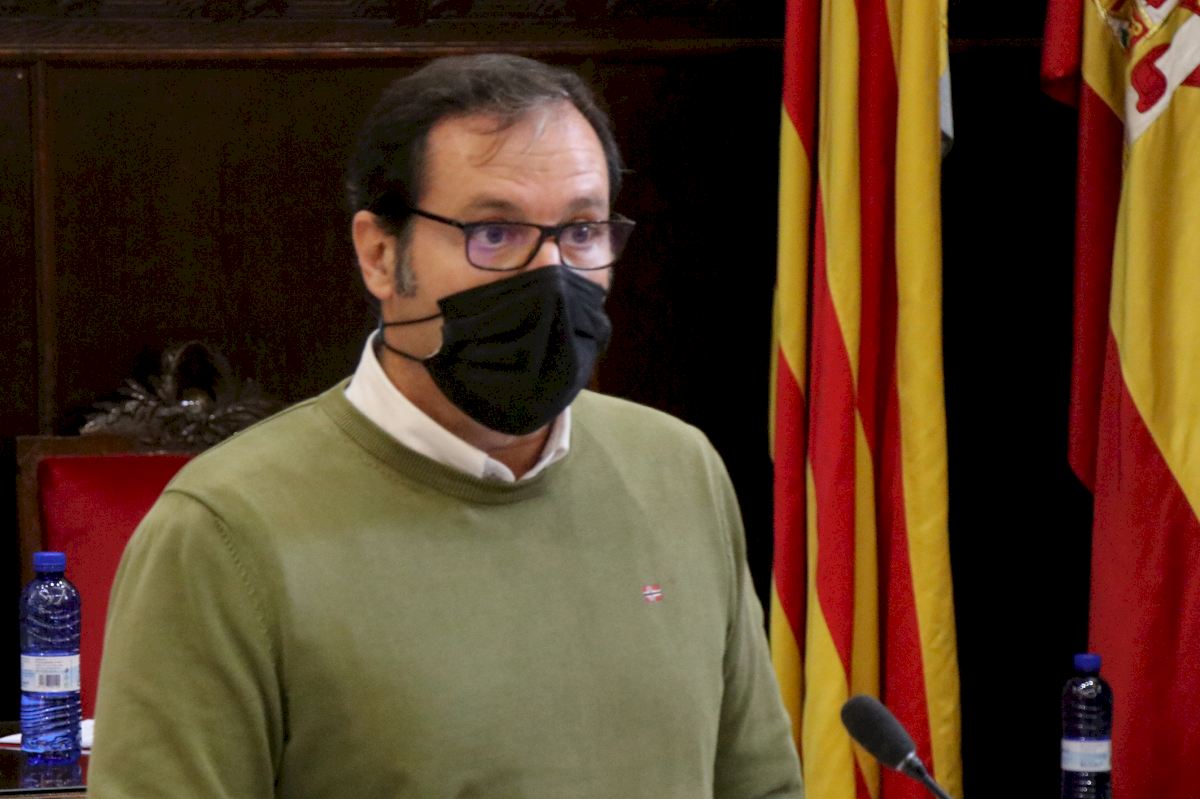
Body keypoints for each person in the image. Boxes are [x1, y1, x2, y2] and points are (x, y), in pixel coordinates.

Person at [89, 54, 803, 798]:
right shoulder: (224, 533)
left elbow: (760, 785)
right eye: (494, 233)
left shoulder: (678, 470)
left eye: (582, 230)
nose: (550, 274)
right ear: (379, 254)